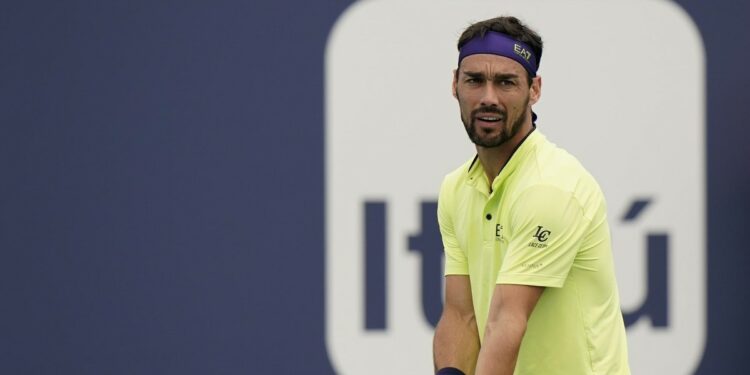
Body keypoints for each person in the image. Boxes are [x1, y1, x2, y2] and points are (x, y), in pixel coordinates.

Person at [432, 16, 630, 375]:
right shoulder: (455, 189)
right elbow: (462, 317)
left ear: (534, 89)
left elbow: (506, 322)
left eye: (506, 82)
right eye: (474, 80)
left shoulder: (551, 187)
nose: (488, 98)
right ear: (454, 84)